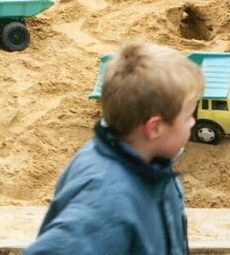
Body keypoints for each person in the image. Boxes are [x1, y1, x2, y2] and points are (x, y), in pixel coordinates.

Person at [24, 41, 203, 255]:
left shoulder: (151, 166)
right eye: (188, 117)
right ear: (155, 127)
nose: (193, 123)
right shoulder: (106, 202)